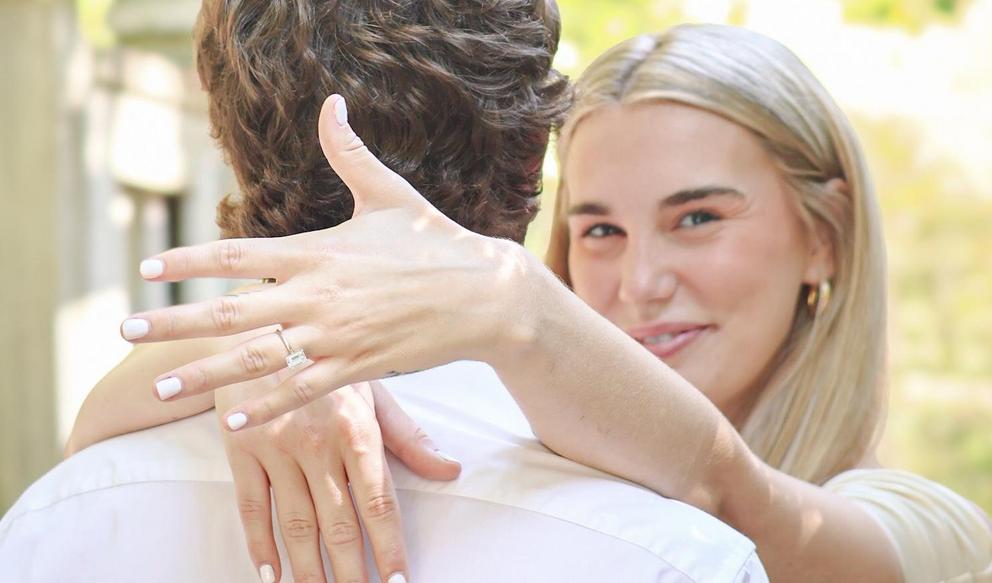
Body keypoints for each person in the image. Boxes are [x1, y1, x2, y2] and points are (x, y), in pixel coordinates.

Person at [100, 24, 992, 583]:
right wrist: (284, 353)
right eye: (599, 229)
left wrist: (513, 297)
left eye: (696, 218)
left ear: (825, 236)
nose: (639, 281)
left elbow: (734, 498)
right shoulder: (514, 452)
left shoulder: (934, 531)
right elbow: (86, 435)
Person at [0, 4, 767, 583]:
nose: (642, 282)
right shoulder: (675, 551)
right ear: (535, 147)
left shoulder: (53, 520)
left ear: (229, 139)